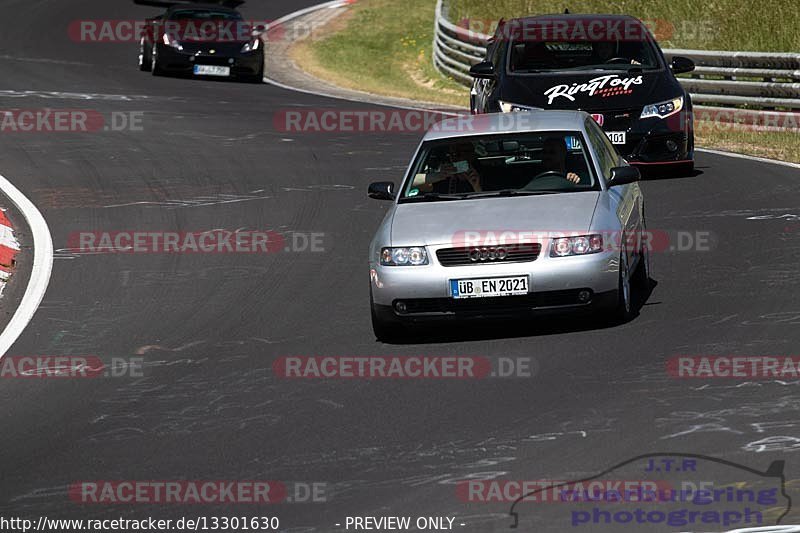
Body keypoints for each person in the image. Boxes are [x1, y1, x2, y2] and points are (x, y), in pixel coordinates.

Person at [417, 142, 482, 194]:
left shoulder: (486, 173)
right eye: (452, 154)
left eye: (459, 154)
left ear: (472, 154)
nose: (455, 158)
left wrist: (477, 187)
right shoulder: (444, 177)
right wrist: (437, 175)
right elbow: (413, 183)